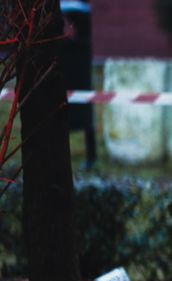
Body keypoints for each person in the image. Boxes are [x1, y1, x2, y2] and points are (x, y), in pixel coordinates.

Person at [61, 0, 96, 170]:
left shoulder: (81, 12)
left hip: (80, 72)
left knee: (85, 117)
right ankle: (66, 156)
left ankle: (91, 157)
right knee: (62, 116)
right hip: (66, 69)